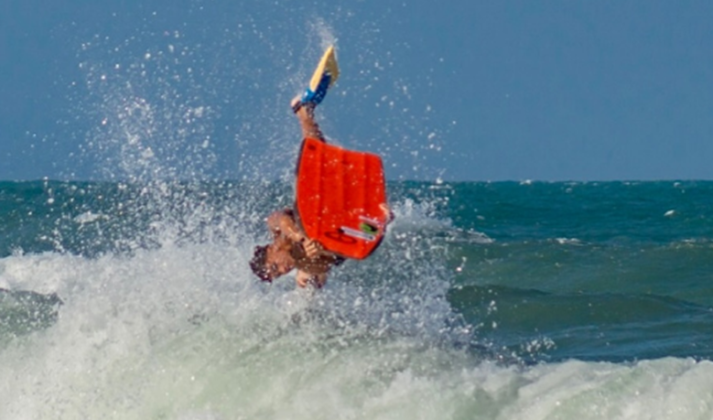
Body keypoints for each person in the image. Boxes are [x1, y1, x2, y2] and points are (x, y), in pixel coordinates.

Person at [250, 97, 392, 288]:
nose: (284, 270)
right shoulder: (306, 266)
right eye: (280, 274)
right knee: (313, 268)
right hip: (338, 240)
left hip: (317, 211)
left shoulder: (277, 231)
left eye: (275, 267)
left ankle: (304, 113)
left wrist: (301, 238)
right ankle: (384, 219)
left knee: (319, 161)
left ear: (270, 249)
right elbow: (334, 256)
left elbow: (280, 219)